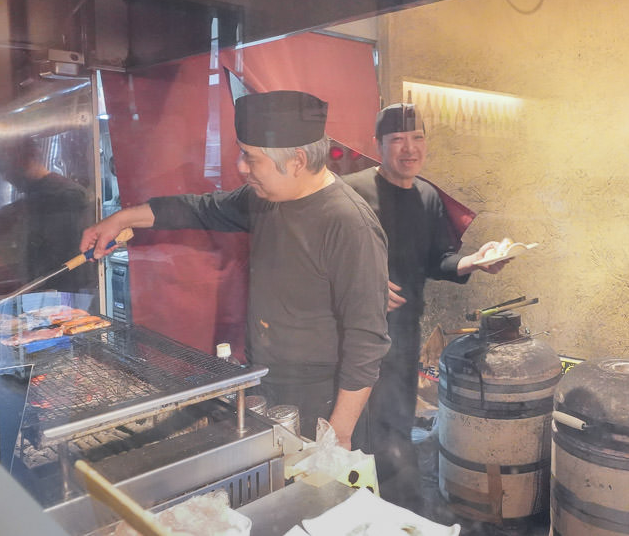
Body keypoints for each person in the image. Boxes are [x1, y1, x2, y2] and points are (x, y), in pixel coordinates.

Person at [80, 90, 390, 450]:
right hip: (266, 378)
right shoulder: (265, 200)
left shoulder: (348, 223)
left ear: (297, 160)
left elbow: (367, 339)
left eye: (251, 156)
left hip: (322, 398)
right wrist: (120, 218)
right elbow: (201, 209)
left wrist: (338, 434)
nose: (241, 166)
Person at [344, 102, 507, 510]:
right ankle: (357, 506)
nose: (409, 148)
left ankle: (397, 511)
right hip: (349, 335)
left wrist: (474, 261)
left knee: (395, 424)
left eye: (417, 138)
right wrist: (364, 283)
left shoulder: (427, 196)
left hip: (402, 333)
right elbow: (318, 260)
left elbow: (437, 259)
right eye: (396, 139)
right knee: (354, 428)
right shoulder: (351, 192)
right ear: (378, 144)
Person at [0, 136, 95, 299]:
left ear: (29, 158)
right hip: (42, 290)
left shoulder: (67, 194)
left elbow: (57, 254)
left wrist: (5, 217)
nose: (5, 176)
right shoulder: (33, 197)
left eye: (6, 168)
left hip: (68, 291)